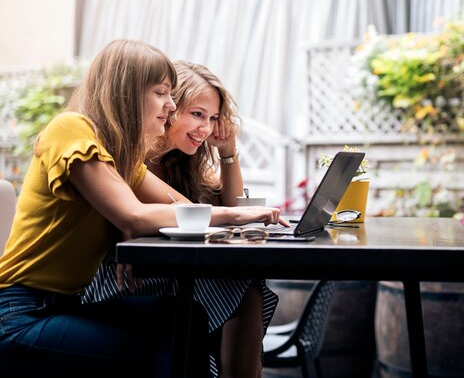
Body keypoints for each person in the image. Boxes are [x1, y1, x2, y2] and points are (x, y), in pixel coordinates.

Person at [0, 39, 284, 378]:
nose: (170, 105)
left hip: (62, 306)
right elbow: (132, 216)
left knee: (185, 315)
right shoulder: (71, 128)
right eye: (162, 93)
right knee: (162, 344)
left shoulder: (122, 158)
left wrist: (231, 210)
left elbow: (184, 208)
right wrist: (233, 215)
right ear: (128, 92)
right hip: (18, 315)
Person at [83, 61, 280, 378]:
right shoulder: (132, 155)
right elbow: (192, 215)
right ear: (171, 107)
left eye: (213, 118)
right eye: (198, 114)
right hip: (120, 277)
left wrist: (228, 152)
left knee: (247, 286)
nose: (206, 127)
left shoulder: (180, 161)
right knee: (241, 287)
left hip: (164, 270)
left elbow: (229, 204)